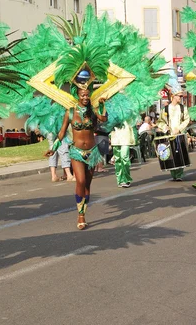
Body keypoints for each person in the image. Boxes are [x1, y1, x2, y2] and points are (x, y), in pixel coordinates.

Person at [46, 83, 107, 230]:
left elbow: (103, 119)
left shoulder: (93, 111)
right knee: (80, 180)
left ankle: (83, 212)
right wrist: (53, 148)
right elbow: (61, 132)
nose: (85, 97)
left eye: (87, 95)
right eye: (82, 95)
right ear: (77, 95)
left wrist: (101, 105)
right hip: (76, 152)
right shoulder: (71, 112)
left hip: (92, 152)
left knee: (87, 185)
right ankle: (80, 216)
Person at [156, 90, 190, 181]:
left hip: (180, 134)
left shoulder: (183, 108)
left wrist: (179, 128)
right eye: (179, 96)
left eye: (181, 96)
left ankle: (179, 174)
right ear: (173, 96)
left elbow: (186, 120)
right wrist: (164, 127)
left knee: (180, 154)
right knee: (171, 155)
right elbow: (160, 121)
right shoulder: (165, 109)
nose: (180, 98)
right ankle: (173, 173)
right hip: (169, 135)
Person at [110, 120, 136, 188]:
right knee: (118, 159)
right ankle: (120, 180)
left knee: (124, 157)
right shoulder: (113, 110)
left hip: (126, 136)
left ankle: (126, 179)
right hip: (116, 136)